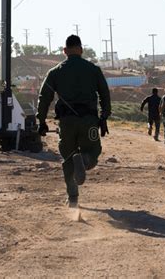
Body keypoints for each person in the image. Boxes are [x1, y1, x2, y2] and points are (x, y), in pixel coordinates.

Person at [37, 35, 111, 208]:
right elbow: (104, 94)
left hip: (66, 123)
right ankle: (84, 161)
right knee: (93, 150)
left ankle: (73, 199)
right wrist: (104, 116)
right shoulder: (93, 69)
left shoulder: (55, 72)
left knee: (68, 158)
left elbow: (44, 97)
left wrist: (41, 121)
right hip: (89, 122)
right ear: (81, 49)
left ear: (64, 51)